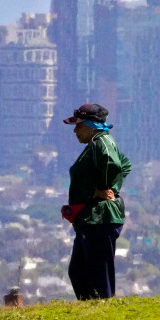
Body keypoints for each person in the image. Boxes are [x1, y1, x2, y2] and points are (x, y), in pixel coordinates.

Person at [62, 103, 132, 300]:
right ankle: (90, 309)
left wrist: (103, 187)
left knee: (98, 275)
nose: (75, 130)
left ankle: (101, 312)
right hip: (88, 219)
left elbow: (115, 164)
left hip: (100, 218)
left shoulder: (102, 142)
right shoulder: (95, 145)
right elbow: (125, 164)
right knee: (78, 271)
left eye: (79, 125)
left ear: (91, 126)